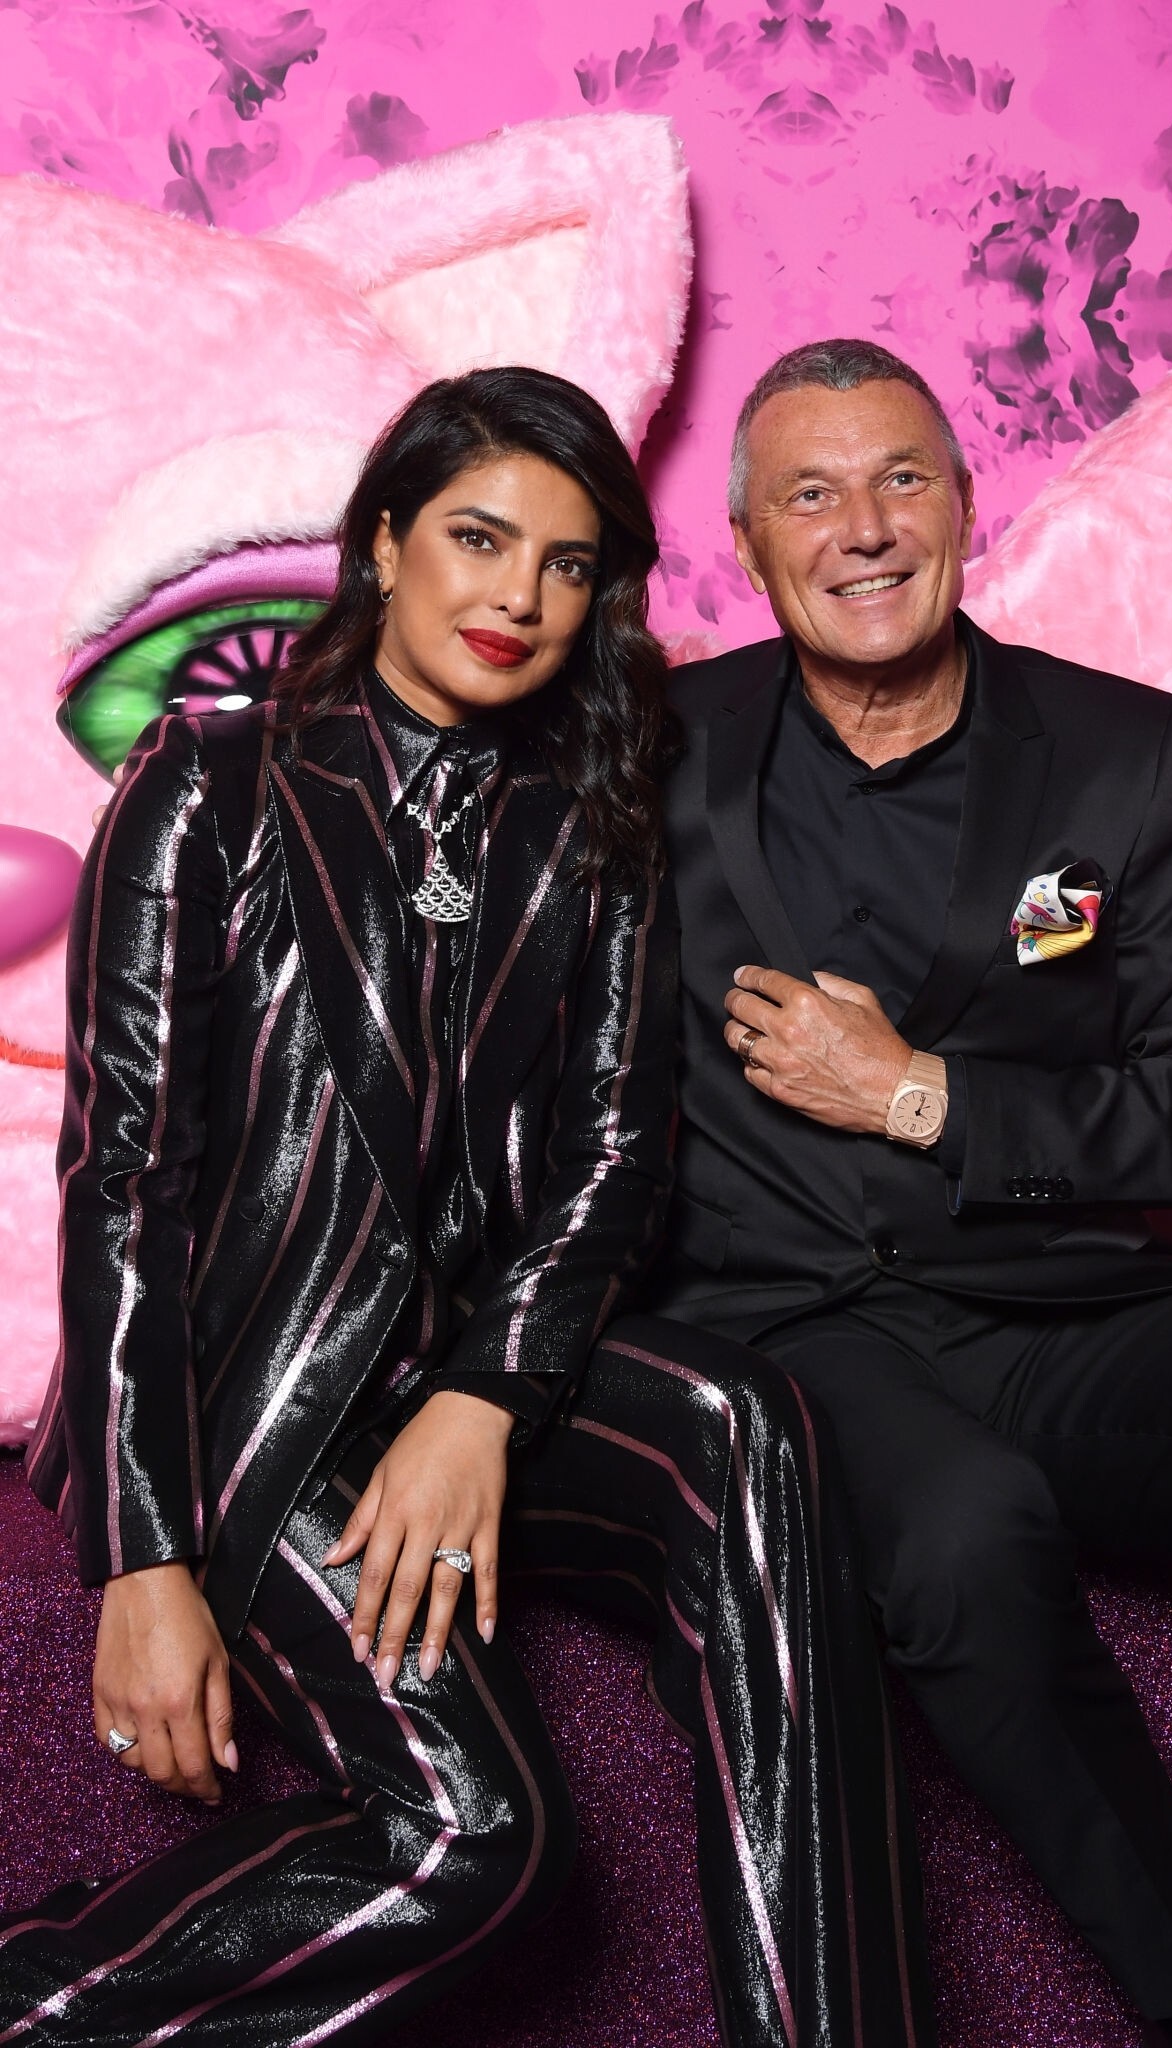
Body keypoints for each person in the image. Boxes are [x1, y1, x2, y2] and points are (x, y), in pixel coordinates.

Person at [3, 369, 932, 2048]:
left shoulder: (589, 817)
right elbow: (124, 1174)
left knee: (744, 1422)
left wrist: (485, 1394)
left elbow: (614, 1154)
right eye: (478, 539)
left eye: (567, 564)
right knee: (474, 1840)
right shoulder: (211, 778)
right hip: (248, 1398)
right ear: (383, 543)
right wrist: (143, 1560)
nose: (519, 596)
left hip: (466, 1373)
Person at [651, 337, 1172, 2048]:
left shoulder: (1125, 756)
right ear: (746, 545)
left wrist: (919, 1094)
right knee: (965, 1534)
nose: (864, 528)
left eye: (902, 478)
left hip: (1057, 1305)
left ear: (967, 506)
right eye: (810, 495)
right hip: (794, 1328)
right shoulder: (645, 750)